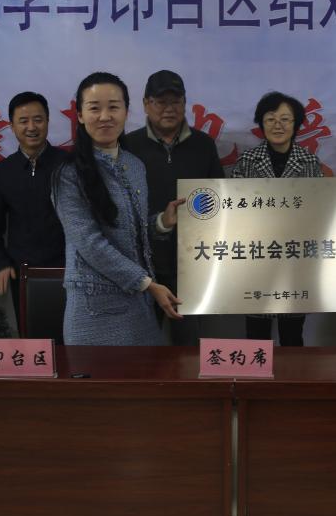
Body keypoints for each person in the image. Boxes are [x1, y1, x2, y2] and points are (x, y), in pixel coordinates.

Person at [52, 72, 185, 345]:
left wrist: (162, 222)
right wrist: (147, 284)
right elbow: (90, 243)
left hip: (140, 307)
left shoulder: (134, 165)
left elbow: (131, 232)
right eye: (94, 108)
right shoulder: (68, 173)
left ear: (126, 112)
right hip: (94, 312)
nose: (105, 116)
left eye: (113, 107)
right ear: (80, 115)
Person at [122, 70, 224, 345]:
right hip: (143, 267)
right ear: (146, 104)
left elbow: (218, 200)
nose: (169, 109)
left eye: (176, 101)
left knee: (189, 347)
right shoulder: (128, 146)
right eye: (160, 102)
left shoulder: (203, 145)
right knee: (141, 346)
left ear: (185, 103)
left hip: (192, 264)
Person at [232, 91, 323, 346]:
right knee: (256, 337)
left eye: (285, 119)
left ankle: (292, 374)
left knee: (293, 336)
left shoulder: (309, 161)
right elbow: (234, 215)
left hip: (295, 260)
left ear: (296, 124)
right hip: (256, 260)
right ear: (261, 124)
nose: (278, 125)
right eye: (270, 119)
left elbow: (319, 211)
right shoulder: (247, 161)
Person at [0, 91, 69, 331]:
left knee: (71, 338)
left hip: (68, 269)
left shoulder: (68, 164)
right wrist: (1, 263)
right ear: (12, 126)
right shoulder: (4, 171)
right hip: (23, 271)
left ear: (48, 121)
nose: (31, 127)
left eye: (38, 120)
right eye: (23, 121)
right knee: (32, 339)